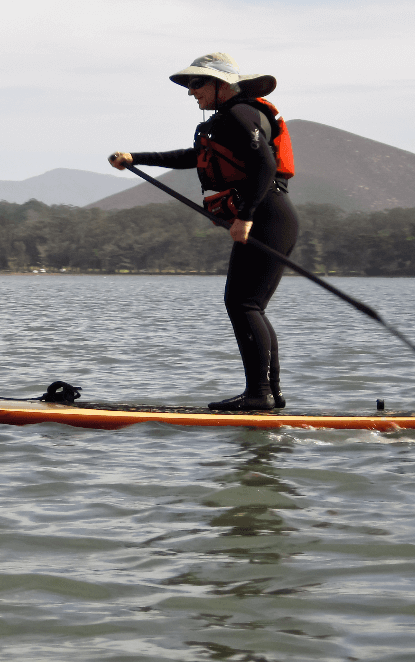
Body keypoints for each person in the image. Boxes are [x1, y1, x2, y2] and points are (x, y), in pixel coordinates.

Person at [110, 53, 299, 411]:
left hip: (267, 214)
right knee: (250, 305)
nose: (191, 92)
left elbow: (265, 164)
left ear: (221, 84)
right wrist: (136, 157)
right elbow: (192, 156)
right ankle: (269, 394)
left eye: (197, 83)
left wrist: (246, 217)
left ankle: (260, 394)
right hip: (271, 215)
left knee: (243, 303)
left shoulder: (240, 113)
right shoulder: (228, 119)